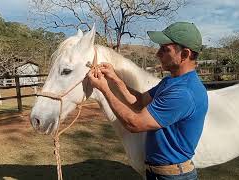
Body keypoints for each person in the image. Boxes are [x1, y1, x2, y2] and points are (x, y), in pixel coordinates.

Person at [87, 22, 208, 180]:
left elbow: (134, 123)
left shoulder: (184, 92)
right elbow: (139, 101)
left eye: (165, 49)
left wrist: (105, 89)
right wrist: (115, 79)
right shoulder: (170, 82)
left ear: (184, 54)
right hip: (158, 173)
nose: (158, 54)